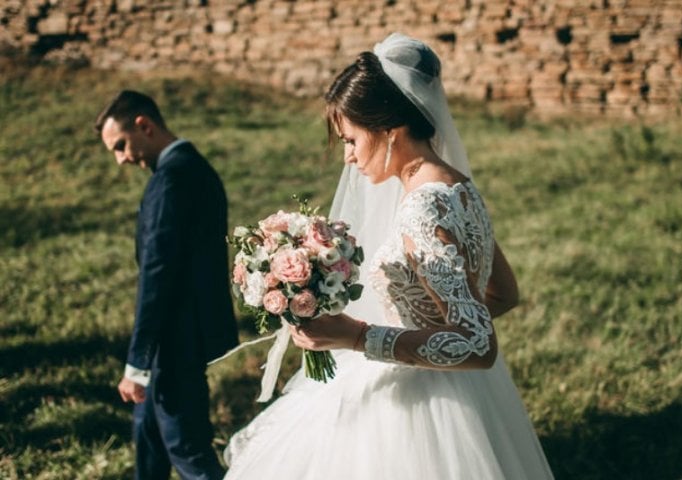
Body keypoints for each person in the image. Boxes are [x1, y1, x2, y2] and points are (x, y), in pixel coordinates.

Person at [223, 33, 553, 479]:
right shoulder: (459, 187)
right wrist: (433, 331)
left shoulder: (422, 210)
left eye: (351, 140)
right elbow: (503, 293)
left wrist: (358, 337)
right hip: (466, 390)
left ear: (389, 132)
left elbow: (477, 344)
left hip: (420, 408)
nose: (348, 158)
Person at [95, 90, 239, 480]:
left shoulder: (172, 180)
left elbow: (158, 274)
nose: (121, 158)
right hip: (183, 335)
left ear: (145, 125)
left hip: (175, 341)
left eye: (121, 145)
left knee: (187, 451)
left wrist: (137, 362)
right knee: (150, 440)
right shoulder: (195, 169)